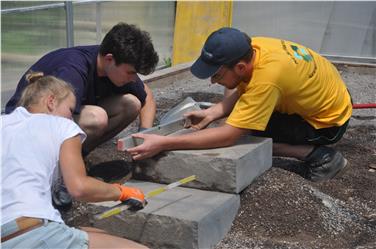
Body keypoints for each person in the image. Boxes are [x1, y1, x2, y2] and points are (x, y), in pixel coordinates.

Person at [127, 27, 352, 182]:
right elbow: (248, 89)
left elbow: (229, 135)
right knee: (238, 116)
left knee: (245, 139)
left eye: (216, 74)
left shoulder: (269, 78)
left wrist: (164, 143)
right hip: (324, 99)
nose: (212, 81)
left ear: (241, 67)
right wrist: (213, 113)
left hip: (327, 122)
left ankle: (321, 156)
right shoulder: (253, 48)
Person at [1, 72, 148, 249]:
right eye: (70, 110)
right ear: (51, 101)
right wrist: (121, 191)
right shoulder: (62, 126)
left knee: (96, 234)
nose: (72, 118)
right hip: (31, 231)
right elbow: (79, 187)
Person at [5, 22, 159, 156]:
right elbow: (54, 120)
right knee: (96, 118)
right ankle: (61, 168)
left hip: (57, 120)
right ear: (109, 59)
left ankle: (80, 156)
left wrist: (145, 135)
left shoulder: (114, 66)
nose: (133, 78)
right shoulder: (73, 69)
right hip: (25, 128)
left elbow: (147, 98)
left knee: (131, 104)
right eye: (131, 72)